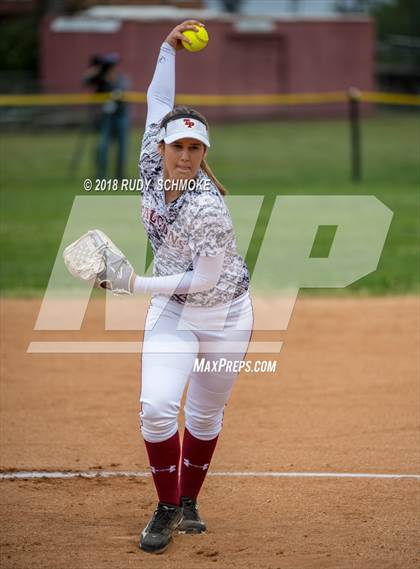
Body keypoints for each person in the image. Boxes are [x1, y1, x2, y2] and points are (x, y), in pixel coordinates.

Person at [63, 19, 254, 556]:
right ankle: (167, 506)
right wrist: (167, 48)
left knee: (205, 414)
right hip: (173, 311)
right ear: (164, 147)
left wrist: (133, 282)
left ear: (203, 153)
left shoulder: (208, 208)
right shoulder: (149, 160)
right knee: (155, 407)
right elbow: (157, 99)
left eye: (196, 148)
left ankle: (190, 500)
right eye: (179, 146)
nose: (186, 156)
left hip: (225, 314)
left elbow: (208, 279)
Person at [82, 52, 129, 180]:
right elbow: (85, 80)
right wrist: (97, 70)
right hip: (106, 118)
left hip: (121, 116)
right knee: (102, 146)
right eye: (108, 67)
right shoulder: (100, 79)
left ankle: (120, 177)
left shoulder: (121, 79)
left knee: (122, 148)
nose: (110, 70)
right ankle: (101, 176)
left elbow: (122, 91)